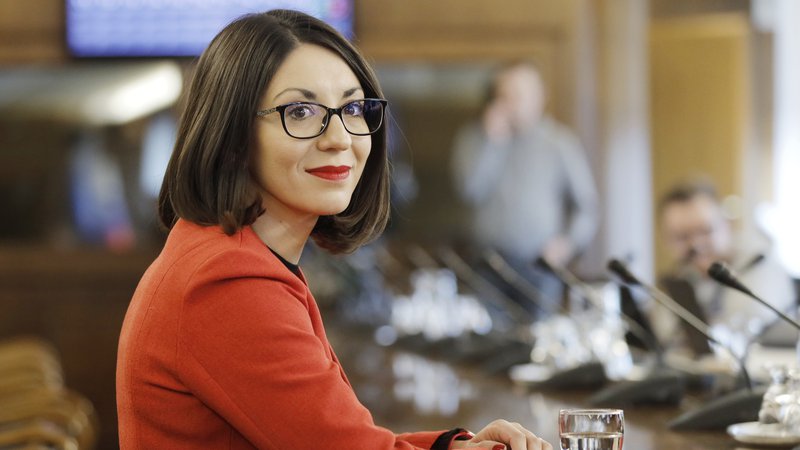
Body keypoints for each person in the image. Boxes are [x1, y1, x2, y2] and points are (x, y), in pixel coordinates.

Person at [115, 10, 552, 450]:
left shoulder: (232, 256)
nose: (339, 138)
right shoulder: (226, 281)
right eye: (300, 111)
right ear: (233, 138)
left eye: (353, 108)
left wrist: (451, 447)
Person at [450, 61, 598, 317]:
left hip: (539, 266)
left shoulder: (560, 143)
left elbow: (587, 206)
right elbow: (469, 191)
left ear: (540, 97)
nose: (511, 104)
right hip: (487, 265)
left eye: (518, 95)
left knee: (539, 336)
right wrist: (492, 143)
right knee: (487, 337)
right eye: (504, 96)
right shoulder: (474, 138)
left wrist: (566, 244)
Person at [654, 178, 797, 357]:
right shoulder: (681, 277)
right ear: (666, 240)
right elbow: (664, 335)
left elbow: (750, 329)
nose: (696, 245)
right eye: (682, 237)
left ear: (726, 225)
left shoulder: (760, 264)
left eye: (705, 231)